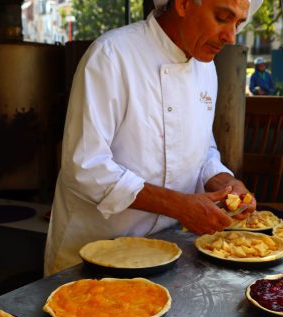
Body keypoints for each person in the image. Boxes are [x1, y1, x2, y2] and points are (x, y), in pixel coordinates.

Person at [44, 0, 262, 275]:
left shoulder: (205, 66)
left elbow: (202, 147)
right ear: (183, 4)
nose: (231, 37)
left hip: (166, 250)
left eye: (238, 24)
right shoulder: (112, 55)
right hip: (93, 254)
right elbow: (85, 167)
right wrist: (178, 206)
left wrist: (225, 182)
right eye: (222, 18)